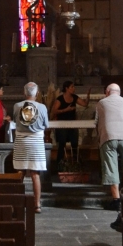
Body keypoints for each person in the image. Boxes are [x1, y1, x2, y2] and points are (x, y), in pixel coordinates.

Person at [96, 83, 123, 212]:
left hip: (108, 137)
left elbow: (97, 123)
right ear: (118, 92)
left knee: (111, 167)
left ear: (107, 92)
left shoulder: (101, 103)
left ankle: (117, 200)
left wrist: (99, 139)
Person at [12, 81, 49, 213]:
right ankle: (37, 204)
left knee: (20, 174)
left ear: (24, 93)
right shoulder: (42, 107)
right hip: (36, 142)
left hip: (21, 141)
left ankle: (17, 204)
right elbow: (46, 125)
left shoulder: (17, 106)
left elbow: (15, 120)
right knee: (35, 174)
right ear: (37, 94)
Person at [51, 79, 92, 164]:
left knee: (74, 144)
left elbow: (85, 104)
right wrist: (66, 109)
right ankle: (60, 163)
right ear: (66, 88)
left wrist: (88, 95)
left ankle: (75, 162)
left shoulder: (75, 97)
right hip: (62, 125)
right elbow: (54, 111)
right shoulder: (60, 99)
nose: (74, 89)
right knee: (62, 144)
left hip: (73, 124)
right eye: (72, 87)